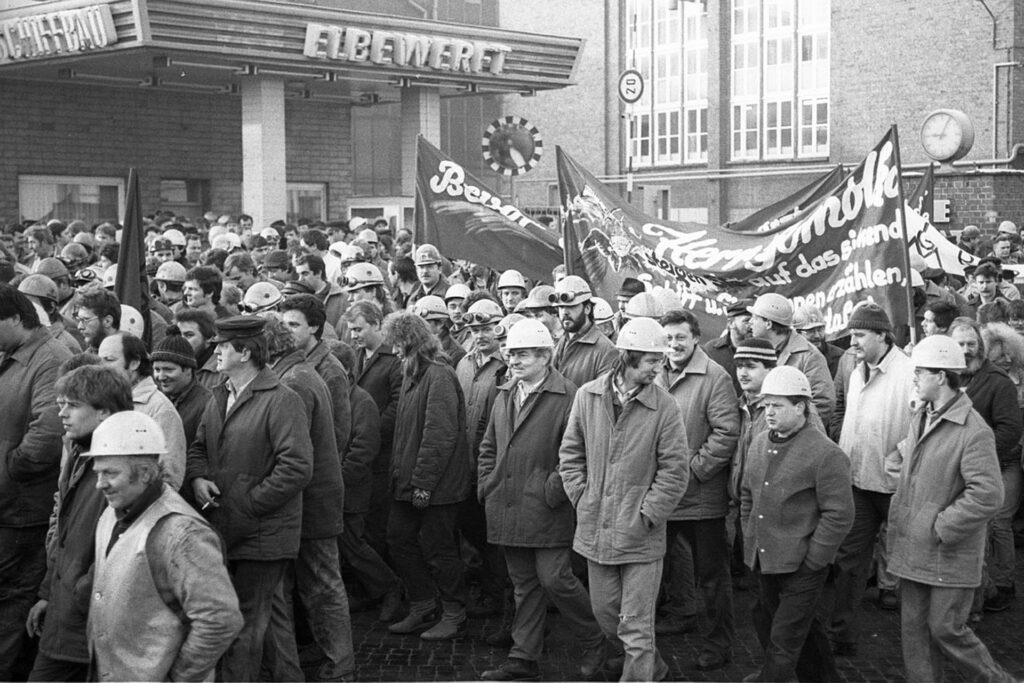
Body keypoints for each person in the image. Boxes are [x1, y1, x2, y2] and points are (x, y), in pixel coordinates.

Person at [558, 317, 689, 681]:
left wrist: (648, 514)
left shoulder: (665, 407)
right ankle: (655, 668)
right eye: (652, 360)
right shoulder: (588, 396)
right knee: (606, 617)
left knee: (635, 627)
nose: (659, 367)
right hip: (596, 530)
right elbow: (570, 454)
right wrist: (582, 497)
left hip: (641, 536)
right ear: (629, 357)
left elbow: (675, 470)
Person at [185, 316, 314, 681]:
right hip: (228, 529)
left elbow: (297, 467)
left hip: (262, 537)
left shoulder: (282, 400)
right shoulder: (220, 394)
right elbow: (199, 448)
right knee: (248, 624)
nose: (217, 352)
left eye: (224, 347)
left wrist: (248, 503)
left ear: (245, 352)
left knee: (246, 629)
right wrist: (197, 479)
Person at [478, 319, 607, 681]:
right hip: (507, 502)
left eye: (522, 354)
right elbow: (489, 445)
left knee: (555, 579)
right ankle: (523, 656)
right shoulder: (506, 392)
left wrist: (551, 490)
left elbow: (578, 454)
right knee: (523, 583)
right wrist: (486, 482)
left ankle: (597, 638)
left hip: (547, 507)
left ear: (545, 356)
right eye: (511, 353)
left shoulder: (568, 395)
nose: (513, 360)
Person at [887, 335, 1014, 683]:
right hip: (915, 546)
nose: (914, 378)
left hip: (946, 550)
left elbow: (988, 494)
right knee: (914, 633)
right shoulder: (921, 416)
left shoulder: (974, 430)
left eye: (920, 372)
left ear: (941, 376)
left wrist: (940, 526)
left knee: (946, 630)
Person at [84, 411, 243, 680]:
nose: (101, 484)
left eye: (110, 473)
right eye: (98, 473)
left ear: (145, 473)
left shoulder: (182, 533)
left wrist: (178, 678)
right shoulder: (114, 512)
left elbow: (220, 619)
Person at [740, 366, 854, 683]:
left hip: (802, 565)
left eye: (778, 405)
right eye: (766, 404)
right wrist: (751, 538)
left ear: (801, 407)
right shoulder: (760, 441)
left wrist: (815, 559)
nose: (769, 412)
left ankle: (773, 678)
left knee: (784, 636)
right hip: (764, 559)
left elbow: (840, 514)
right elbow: (748, 495)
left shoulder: (825, 453)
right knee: (774, 622)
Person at [27, 366, 134, 681]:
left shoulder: (120, 467)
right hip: (67, 617)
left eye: (72, 405)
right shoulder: (78, 451)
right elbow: (66, 534)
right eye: (61, 403)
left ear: (104, 413)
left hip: (92, 623)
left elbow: (121, 549)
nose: (61, 413)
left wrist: (77, 593)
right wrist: (49, 593)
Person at [261, 318, 353, 682]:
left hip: (308, 501)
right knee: (321, 584)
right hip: (316, 496)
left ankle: (340, 668)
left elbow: (290, 451)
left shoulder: (293, 380)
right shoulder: (302, 372)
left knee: (322, 586)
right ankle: (336, 663)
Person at [652, 309, 739, 672]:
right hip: (661, 494)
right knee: (656, 568)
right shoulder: (654, 373)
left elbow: (726, 433)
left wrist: (693, 471)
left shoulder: (715, 377)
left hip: (701, 497)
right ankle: (665, 627)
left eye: (680, 338)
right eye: (668, 338)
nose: (674, 345)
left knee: (711, 577)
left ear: (696, 338)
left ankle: (717, 644)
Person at [827, 304, 916, 654]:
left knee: (907, 561)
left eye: (860, 334)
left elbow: (923, 424)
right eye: (852, 334)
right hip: (859, 483)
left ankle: (918, 639)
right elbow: (850, 418)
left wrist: (900, 456)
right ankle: (841, 634)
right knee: (849, 561)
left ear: (882, 334)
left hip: (895, 486)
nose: (853, 341)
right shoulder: (853, 369)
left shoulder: (909, 372)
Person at [383, 311, 471, 641]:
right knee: (398, 538)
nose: (393, 352)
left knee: (440, 549)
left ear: (410, 343)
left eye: (397, 345)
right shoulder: (412, 374)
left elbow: (440, 434)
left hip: (437, 487)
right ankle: (423, 605)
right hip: (410, 482)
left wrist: (423, 484)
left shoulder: (439, 375)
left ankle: (454, 613)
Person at [0, 286, 71, 679]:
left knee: (12, 604)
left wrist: (9, 469)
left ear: (15, 319)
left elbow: (47, 435)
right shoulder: (14, 356)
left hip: (24, 510)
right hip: (11, 505)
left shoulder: (50, 359)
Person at [949, 317, 1024, 618]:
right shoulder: (948, 377)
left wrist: (979, 456)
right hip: (954, 473)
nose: (966, 350)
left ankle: (993, 592)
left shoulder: (997, 381)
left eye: (971, 344)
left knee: (995, 527)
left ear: (980, 346)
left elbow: (1010, 429)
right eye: (959, 344)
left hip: (995, 468)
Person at [454, 299, 509, 618]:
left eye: (486, 328)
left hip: (494, 465)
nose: (479, 335)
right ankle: (488, 590)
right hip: (466, 464)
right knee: (473, 530)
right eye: (474, 329)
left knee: (495, 539)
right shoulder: (463, 364)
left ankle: (498, 598)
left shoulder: (505, 365)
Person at [347, 300, 403, 559]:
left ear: (377, 324)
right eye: (351, 330)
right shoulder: (356, 355)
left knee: (380, 522)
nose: (353, 335)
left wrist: (370, 430)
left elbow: (397, 404)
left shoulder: (394, 358)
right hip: (361, 449)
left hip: (383, 453)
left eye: (358, 329)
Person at [97, 331, 187, 490]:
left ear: (134, 363)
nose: (101, 368)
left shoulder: (161, 410)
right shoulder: (105, 401)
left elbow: (169, 478)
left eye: (110, 360)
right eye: (100, 361)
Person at [748, 293, 835, 422]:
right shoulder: (757, 351)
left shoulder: (809, 356)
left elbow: (824, 404)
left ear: (768, 324)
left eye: (755, 318)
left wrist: (791, 431)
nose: (750, 322)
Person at [550, 275, 617, 388]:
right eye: (561, 307)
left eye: (572, 307)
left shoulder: (606, 351)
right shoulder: (558, 343)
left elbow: (602, 398)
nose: (565, 312)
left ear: (587, 308)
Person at [151, 329, 211, 448]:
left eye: (168, 369)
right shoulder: (155, 399)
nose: (161, 377)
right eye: (157, 370)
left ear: (188, 370)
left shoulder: (207, 404)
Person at [703, 298, 754, 396]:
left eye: (754, 320)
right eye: (747, 321)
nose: (752, 325)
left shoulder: (763, 350)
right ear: (731, 323)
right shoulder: (711, 350)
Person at [175, 308, 221, 390]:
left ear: (209, 338)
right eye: (178, 335)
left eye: (189, 335)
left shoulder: (221, 371)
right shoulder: (172, 365)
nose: (181, 340)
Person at [74, 288, 120, 352]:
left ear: (107, 321)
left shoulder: (128, 357)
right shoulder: (85, 359)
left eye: (86, 320)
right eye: (79, 320)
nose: (79, 326)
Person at [406, 244, 451, 308]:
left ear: (439, 268)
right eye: (421, 267)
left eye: (430, 266)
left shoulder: (450, 295)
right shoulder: (413, 298)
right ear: (416, 270)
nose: (425, 271)